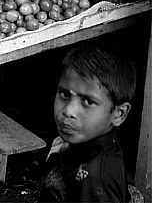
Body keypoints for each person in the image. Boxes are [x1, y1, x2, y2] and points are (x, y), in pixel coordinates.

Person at [38, 41, 136, 202]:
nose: (68, 111)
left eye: (88, 102)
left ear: (119, 114)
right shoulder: (71, 142)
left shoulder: (95, 179)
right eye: (64, 94)